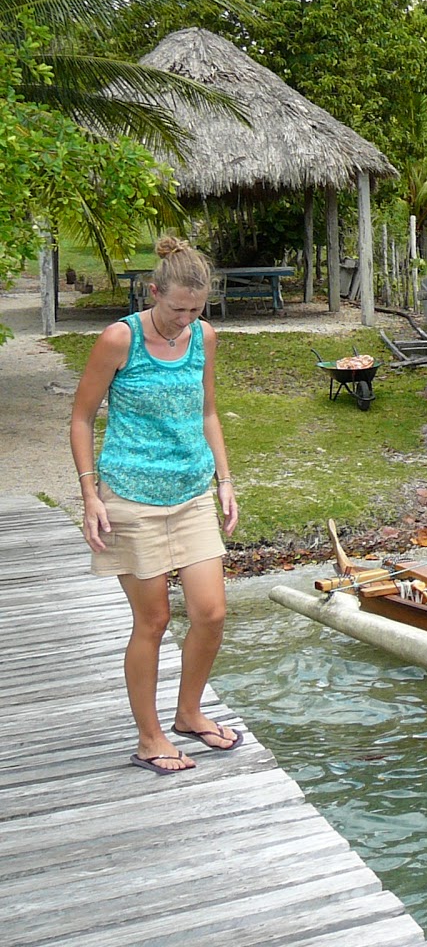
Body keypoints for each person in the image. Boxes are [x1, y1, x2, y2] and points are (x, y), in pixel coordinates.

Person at [69, 237, 243, 776]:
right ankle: (150, 739)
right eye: (175, 310)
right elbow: (81, 418)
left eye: (195, 310)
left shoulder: (203, 339)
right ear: (153, 293)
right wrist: (90, 494)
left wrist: (225, 480)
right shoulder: (119, 339)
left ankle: (189, 713)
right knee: (154, 620)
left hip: (190, 494)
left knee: (211, 613)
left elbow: (208, 412)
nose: (184, 320)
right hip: (130, 498)